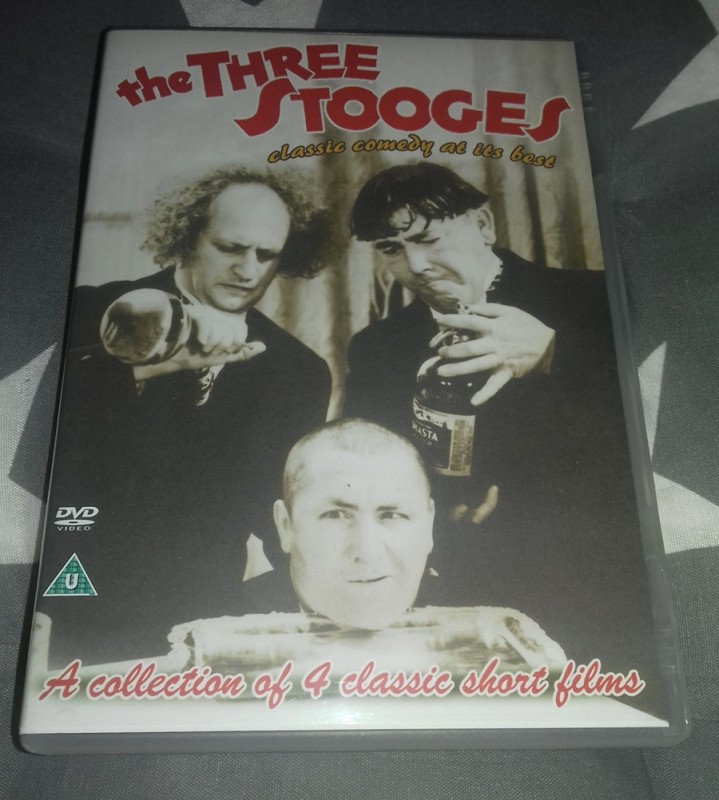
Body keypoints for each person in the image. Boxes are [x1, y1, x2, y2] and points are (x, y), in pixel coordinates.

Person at [343, 163, 659, 679]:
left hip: (609, 591)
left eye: (428, 238)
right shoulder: (376, 348)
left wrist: (555, 355)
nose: (416, 264)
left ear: (484, 225)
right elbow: (365, 469)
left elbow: (677, 419)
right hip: (461, 596)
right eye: (391, 249)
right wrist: (434, 512)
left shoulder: (600, 300)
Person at [42, 166, 331, 666]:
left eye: (266, 255)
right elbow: (26, 444)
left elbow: (278, 522)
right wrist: (143, 370)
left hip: (200, 624)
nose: (248, 270)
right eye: (230, 247)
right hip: (65, 602)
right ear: (188, 236)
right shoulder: (84, 311)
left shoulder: (299, 371)